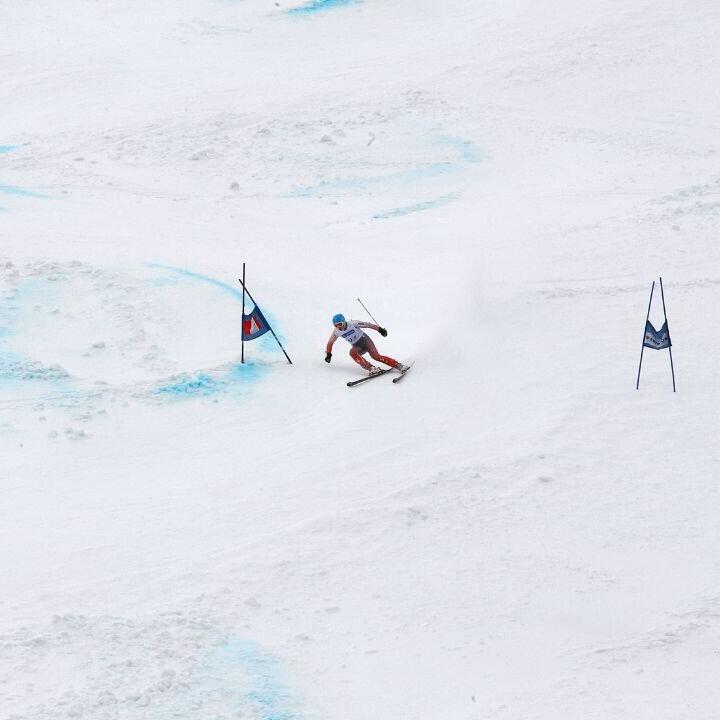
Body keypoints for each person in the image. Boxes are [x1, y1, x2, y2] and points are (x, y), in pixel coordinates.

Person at [325, 313, 406, 376]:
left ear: (344, 321)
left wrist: (380, 329)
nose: (339, 327)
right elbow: (330, 343)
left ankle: (398, 365)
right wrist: (329, 354)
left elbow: (368, 325)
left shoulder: (353, 324)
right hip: (357, 346)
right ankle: (371, 368)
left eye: (340, 324)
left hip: (365, 341)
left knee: (376, 356)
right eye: (336, 325)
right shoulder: (336, 332)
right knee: (352, 352)